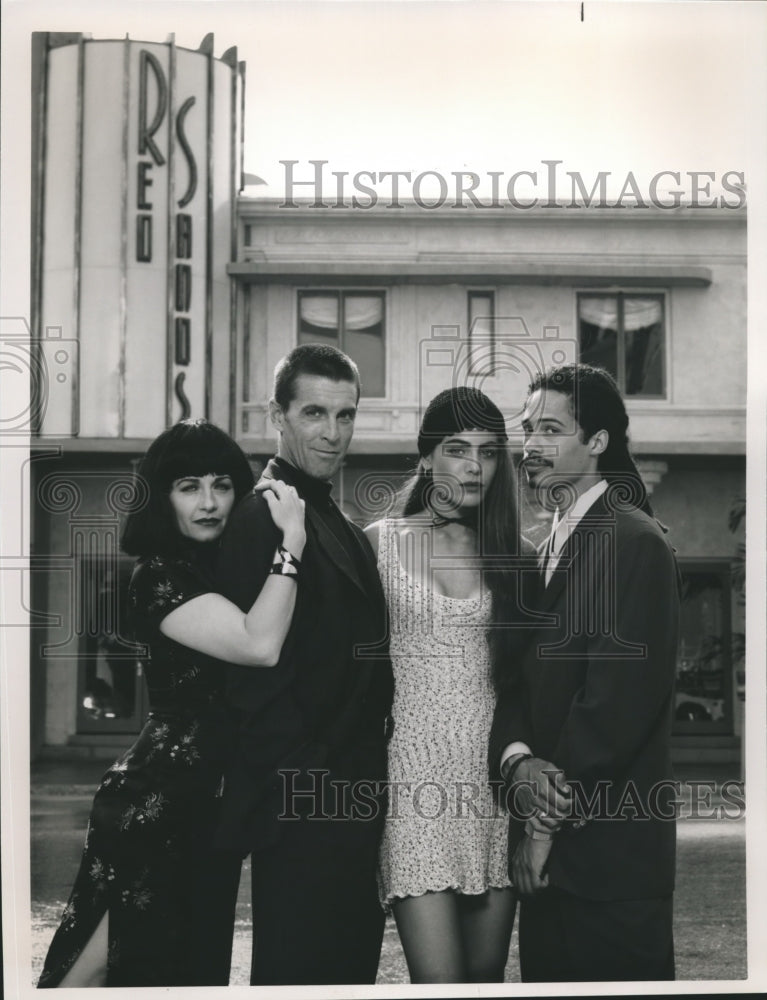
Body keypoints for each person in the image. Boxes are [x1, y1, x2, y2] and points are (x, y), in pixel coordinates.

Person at [38, 419, 306, 988]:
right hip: (157, 802)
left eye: (221, 484)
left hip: (211, 811)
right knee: (98, 971)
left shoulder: (216, 572)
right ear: (164, 499)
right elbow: (259, 646)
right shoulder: (158, 576)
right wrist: (292, 546)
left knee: (189, 971)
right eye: (189, 487)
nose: (208, 502)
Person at [489, 363, 680, 983]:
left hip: (609, 864)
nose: (531, 445)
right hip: (552, 876)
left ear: (597, 442)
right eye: (527, 429)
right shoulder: (546, 546)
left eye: (551, 429)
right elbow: (516, 682)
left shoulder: (636, 541)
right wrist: (517, 761)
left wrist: (541, 828)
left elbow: (615, 712)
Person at [213, 344, 394, 986]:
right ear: (278, 415)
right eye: (315, 412)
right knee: (301, 976)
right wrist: (306, 785)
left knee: (347, 973)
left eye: (346, 415)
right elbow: (249, 677)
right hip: (305, 803)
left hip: (355, 797)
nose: (333, 432)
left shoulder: (335, 519)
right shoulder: (261, 516)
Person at [365, 386, 523, 983]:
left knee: (485, 979)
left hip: (492, 788)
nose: (474, 466)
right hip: (413, 787)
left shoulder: (512, 553)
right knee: (440, 983)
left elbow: (524, 683)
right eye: (458, 449)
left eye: (487, 452)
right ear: (427, 456)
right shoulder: (378, 543)